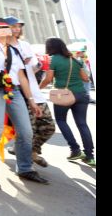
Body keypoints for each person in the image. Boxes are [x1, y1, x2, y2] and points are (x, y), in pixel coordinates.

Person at [0, 18, 48, 189]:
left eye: (4, 27)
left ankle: (25, 168)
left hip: (15, 91)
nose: (1, 29)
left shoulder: (14, 50)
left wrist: (32, 101)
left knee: (26, 132)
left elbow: (21, 77)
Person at [4, 16, 55, 168]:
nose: (17, 29)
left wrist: (40, 64)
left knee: (49, 127)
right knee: (27, 132)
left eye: (19, 26)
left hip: (33, 90)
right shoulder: (3, 46)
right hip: (18, 92)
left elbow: (33, 67)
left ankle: (32, 151)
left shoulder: (25, 45)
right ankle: (25, 165)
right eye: (14, 26)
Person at [39, 37, 95, 167]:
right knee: (82, 124)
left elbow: (48, 79)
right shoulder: (75, 59)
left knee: (61, 120)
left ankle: (75, 150)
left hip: (62, 95)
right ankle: (90, 156)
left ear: (50, 47)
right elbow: (86, 78)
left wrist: (36, 89)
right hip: (81, 94)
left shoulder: (52, 60)